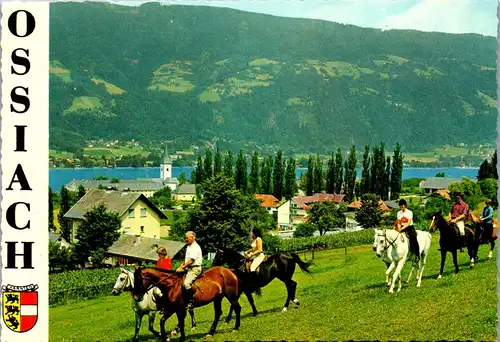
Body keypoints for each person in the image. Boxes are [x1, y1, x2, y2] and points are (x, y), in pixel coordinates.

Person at [176, 231, 202, 310]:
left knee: (186, 283)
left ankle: (191, 301)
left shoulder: (195, 247)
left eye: (187, 237)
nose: (186, 239)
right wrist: (180, 266)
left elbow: (191, 260)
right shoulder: (188, 246)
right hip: (188, 268)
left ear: (193, 237)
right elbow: (186, 259)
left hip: (195, 268)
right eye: (185, 237)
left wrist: (183, 267)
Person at [394, 199, 419, 263]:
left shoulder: (409, 212)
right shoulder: (399, 213)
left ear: (405, 205)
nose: (401, 208)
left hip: (409, 227)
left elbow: (408, 223)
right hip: (402, 227)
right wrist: (399, 228)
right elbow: (399, 222)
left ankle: (417, 255)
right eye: (400, 206)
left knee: (414, 239)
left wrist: (402, 229)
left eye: (402, 206)